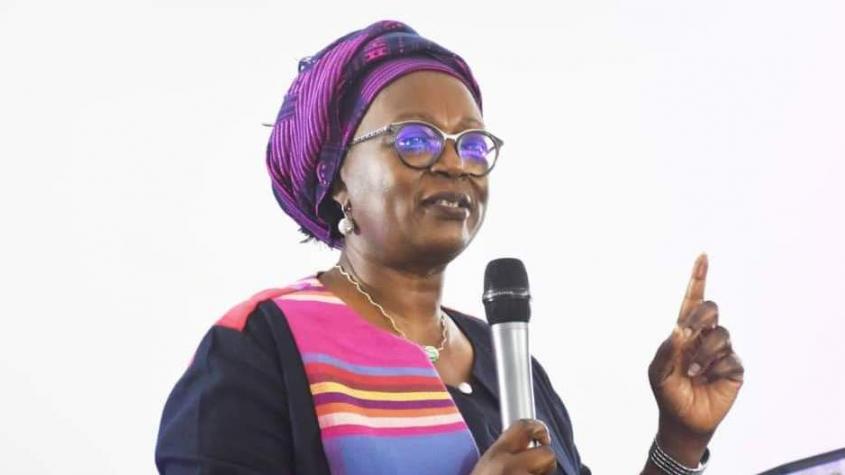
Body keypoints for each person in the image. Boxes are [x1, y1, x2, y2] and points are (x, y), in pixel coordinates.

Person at [155, 20, 744, 475]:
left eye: (473, 144)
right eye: (415, 140)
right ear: (337, 179)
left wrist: (679, 442)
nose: (454, 163)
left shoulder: (506, 360)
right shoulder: (261, 346)